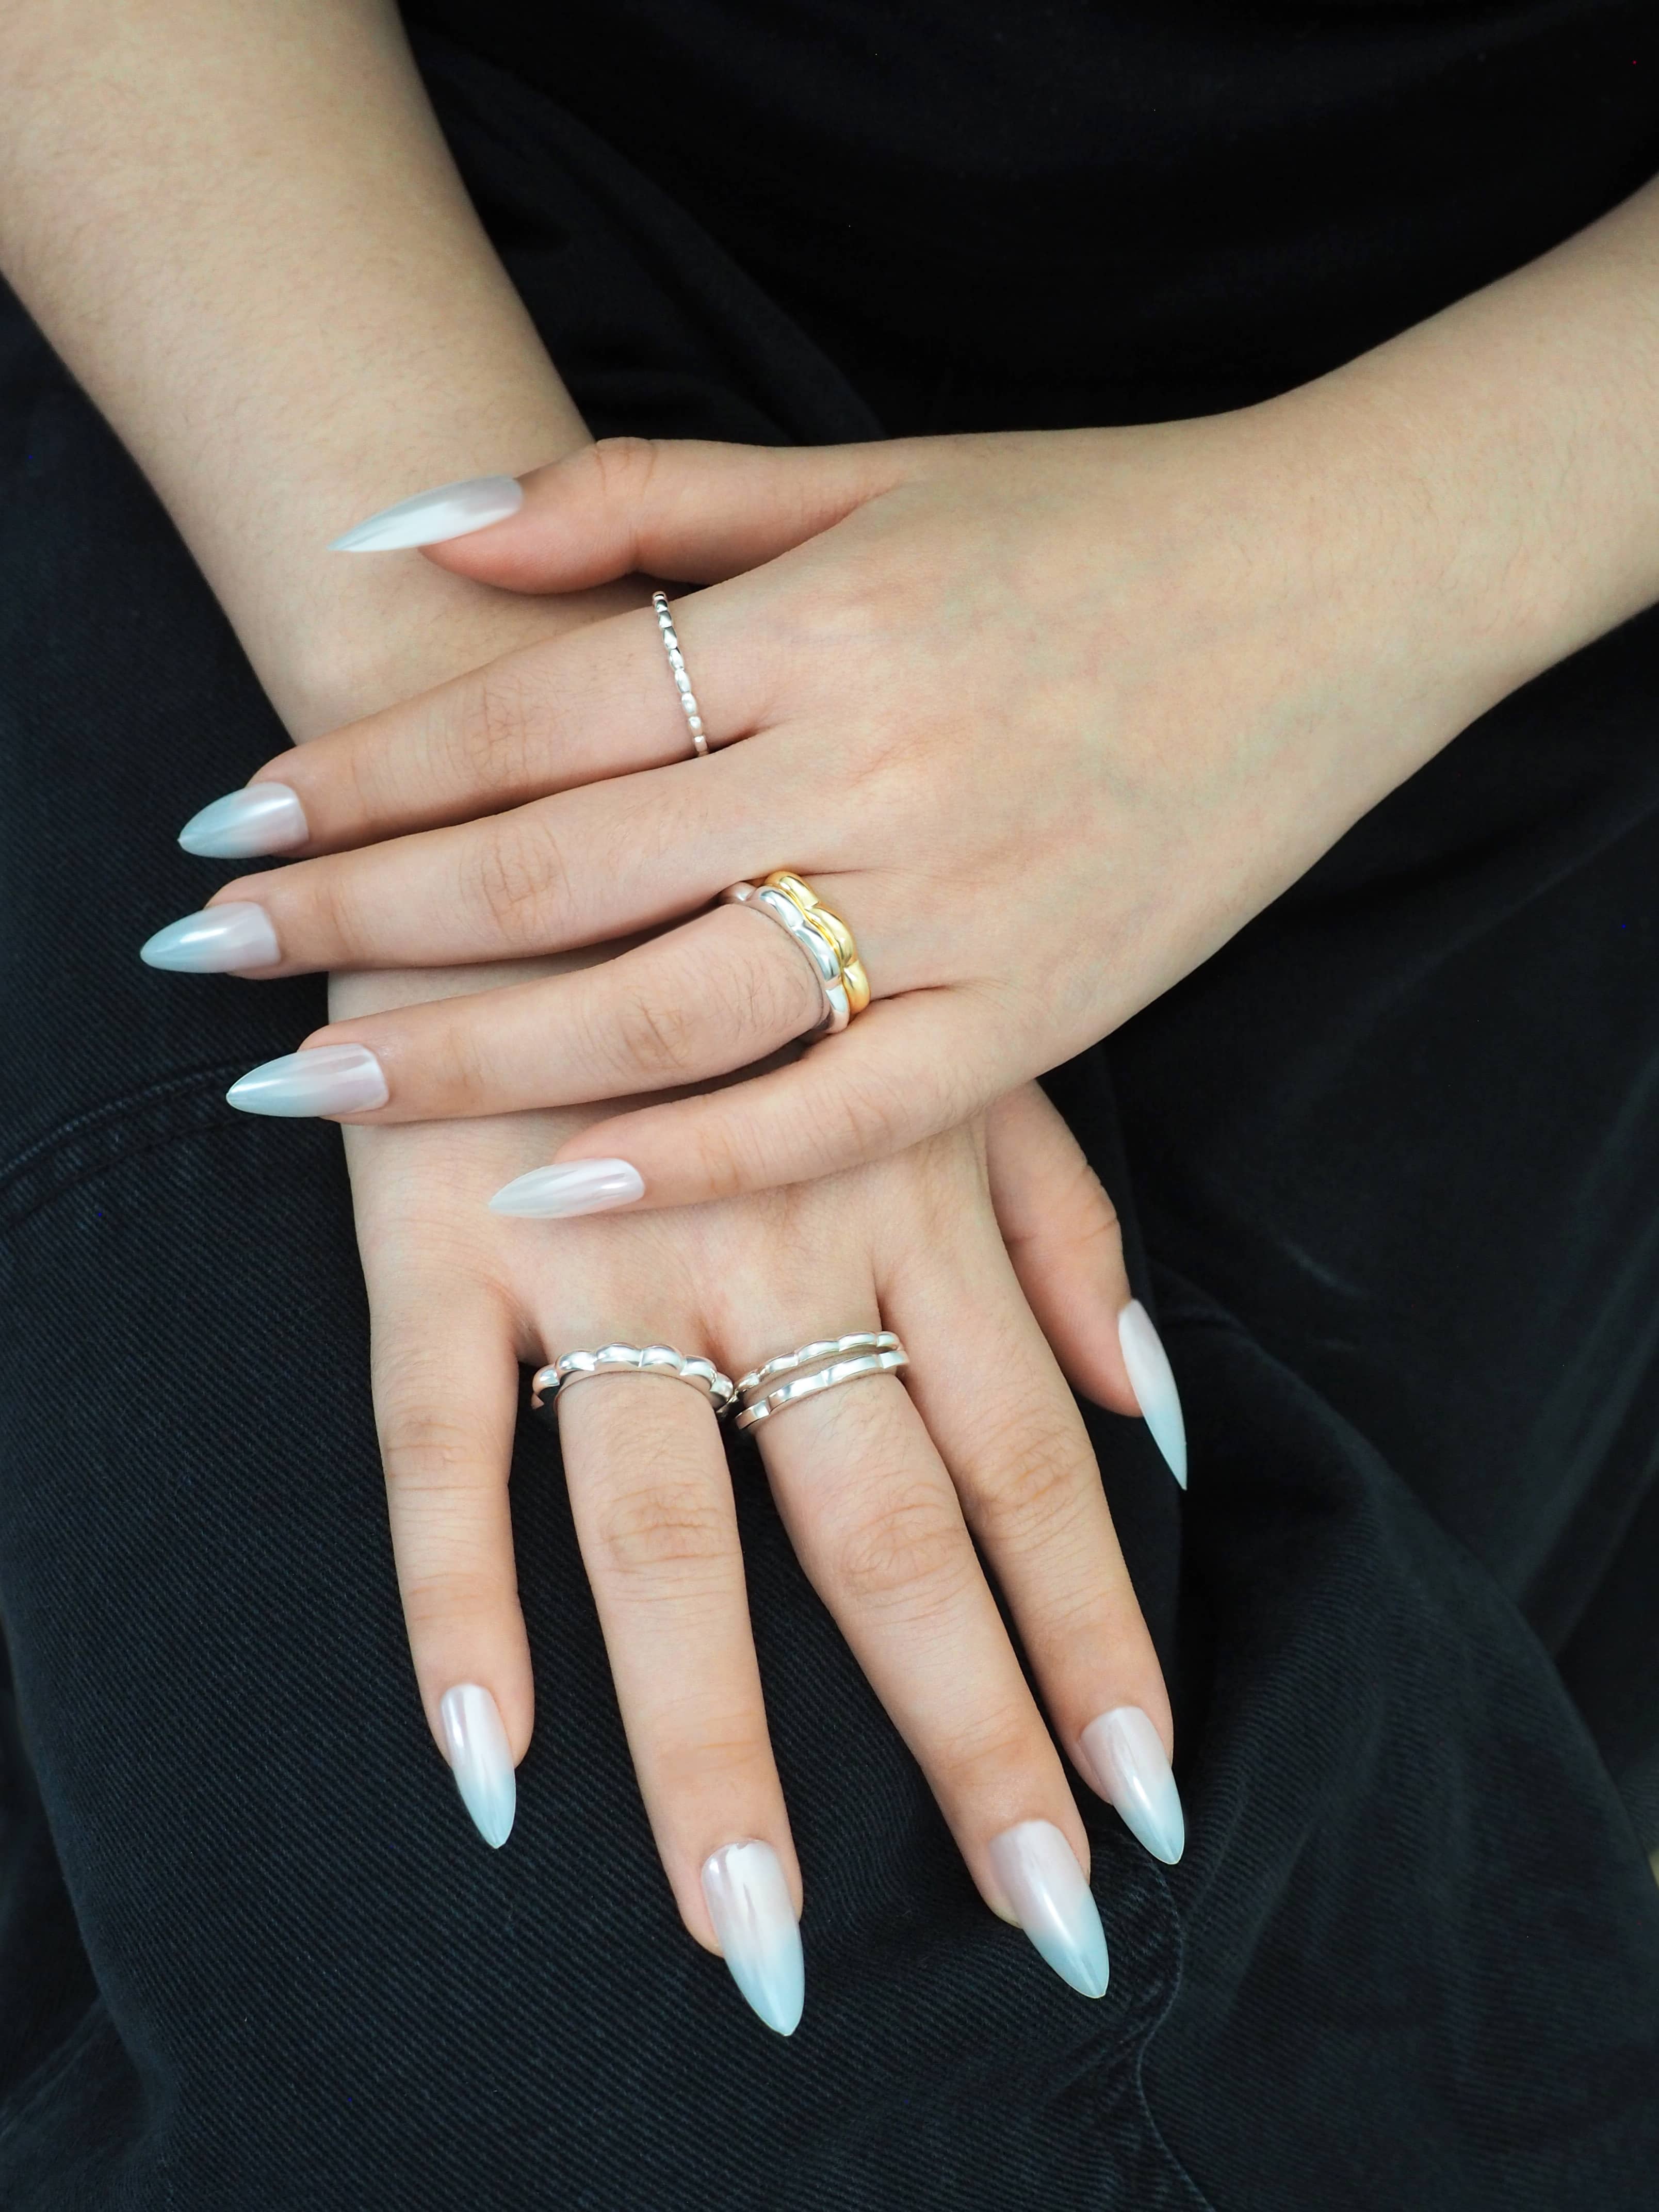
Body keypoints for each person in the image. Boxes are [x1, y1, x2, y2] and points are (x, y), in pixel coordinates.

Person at [1, 3, 1656, 2206]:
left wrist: (1331, 584)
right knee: (588, 2030)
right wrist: (548, 790)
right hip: (348, 314)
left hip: (1498, 544)